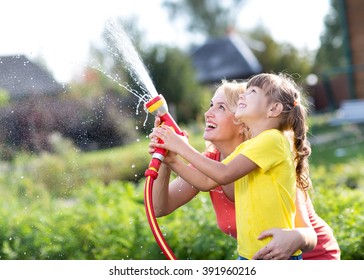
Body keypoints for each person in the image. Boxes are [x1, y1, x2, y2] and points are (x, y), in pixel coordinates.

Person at [150, 73, 339, 260]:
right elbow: (166, 204)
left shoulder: (271, 148)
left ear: (241, 122)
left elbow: (223, 175)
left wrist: (181, 146)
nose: (208, 113)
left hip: (311, 257)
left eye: (221, 107)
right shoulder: (219, 160)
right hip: (254, 256)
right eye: (211, 105)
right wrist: (170, 158)